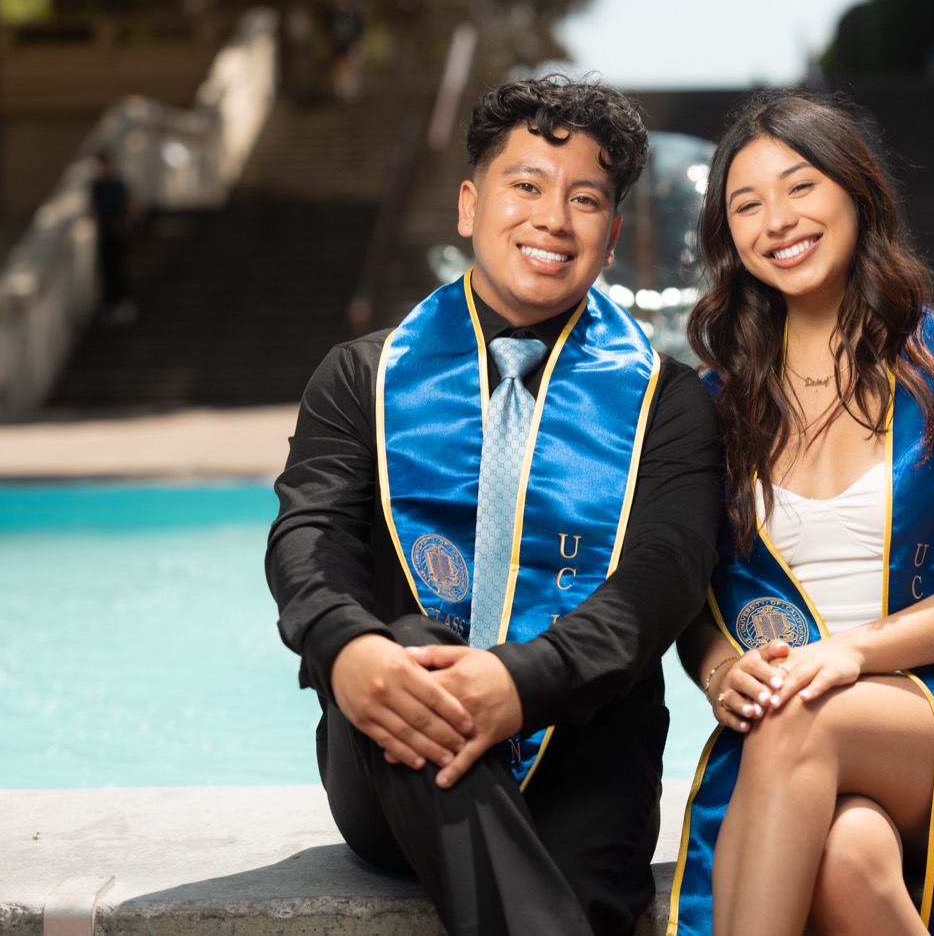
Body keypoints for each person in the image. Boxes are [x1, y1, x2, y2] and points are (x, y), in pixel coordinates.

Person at [266, 76, 723, 936]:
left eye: (585, 199)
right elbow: (307, 538)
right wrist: (347, 648)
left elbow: (664, 579)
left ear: (612, 235)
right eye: (527, 186)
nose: (553, 218)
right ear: (470, 206)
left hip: (585, 752)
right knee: (408, 651)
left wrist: (521, 682)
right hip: (388, 742)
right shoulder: (362, 377)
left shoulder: (669, 403)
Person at [668, 90, 934, 936]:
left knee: (800, 716)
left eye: (800, 186)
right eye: (747, 204)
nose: (778, 219)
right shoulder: (712, 404)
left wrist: (848, 655)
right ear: (727, 237)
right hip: (796, 720)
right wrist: (718, 670)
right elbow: (687, 600)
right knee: (847, 860)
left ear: (856, 191)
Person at [88, 149, 137, 326]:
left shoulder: (118, 185)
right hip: (105, 233)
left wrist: (124, 223)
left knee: (118, 267)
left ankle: (123, 303)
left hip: (116, 233)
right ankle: (110, 305)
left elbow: (128, 204)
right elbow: (93, 210)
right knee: (106, 269)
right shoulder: (97, 186)